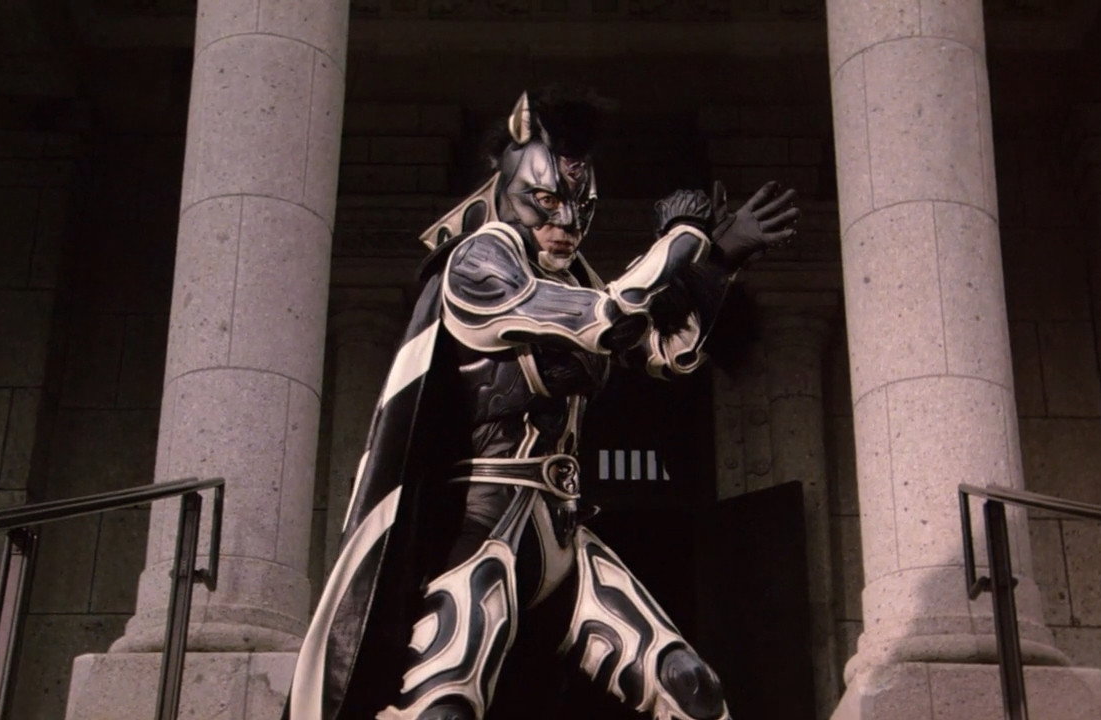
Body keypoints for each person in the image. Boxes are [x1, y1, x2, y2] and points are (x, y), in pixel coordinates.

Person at [285, 89, 799, 720]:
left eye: (581, 207)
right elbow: (608, 319)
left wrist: (719, 262)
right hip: (479, 528)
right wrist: (684, 238)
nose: (568, 223)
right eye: (548, 202)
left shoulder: (574, 276)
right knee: (440, 711)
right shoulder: (477, 262)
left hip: (560, 532)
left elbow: (665, 353)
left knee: (692, 689)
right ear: (509, 192)